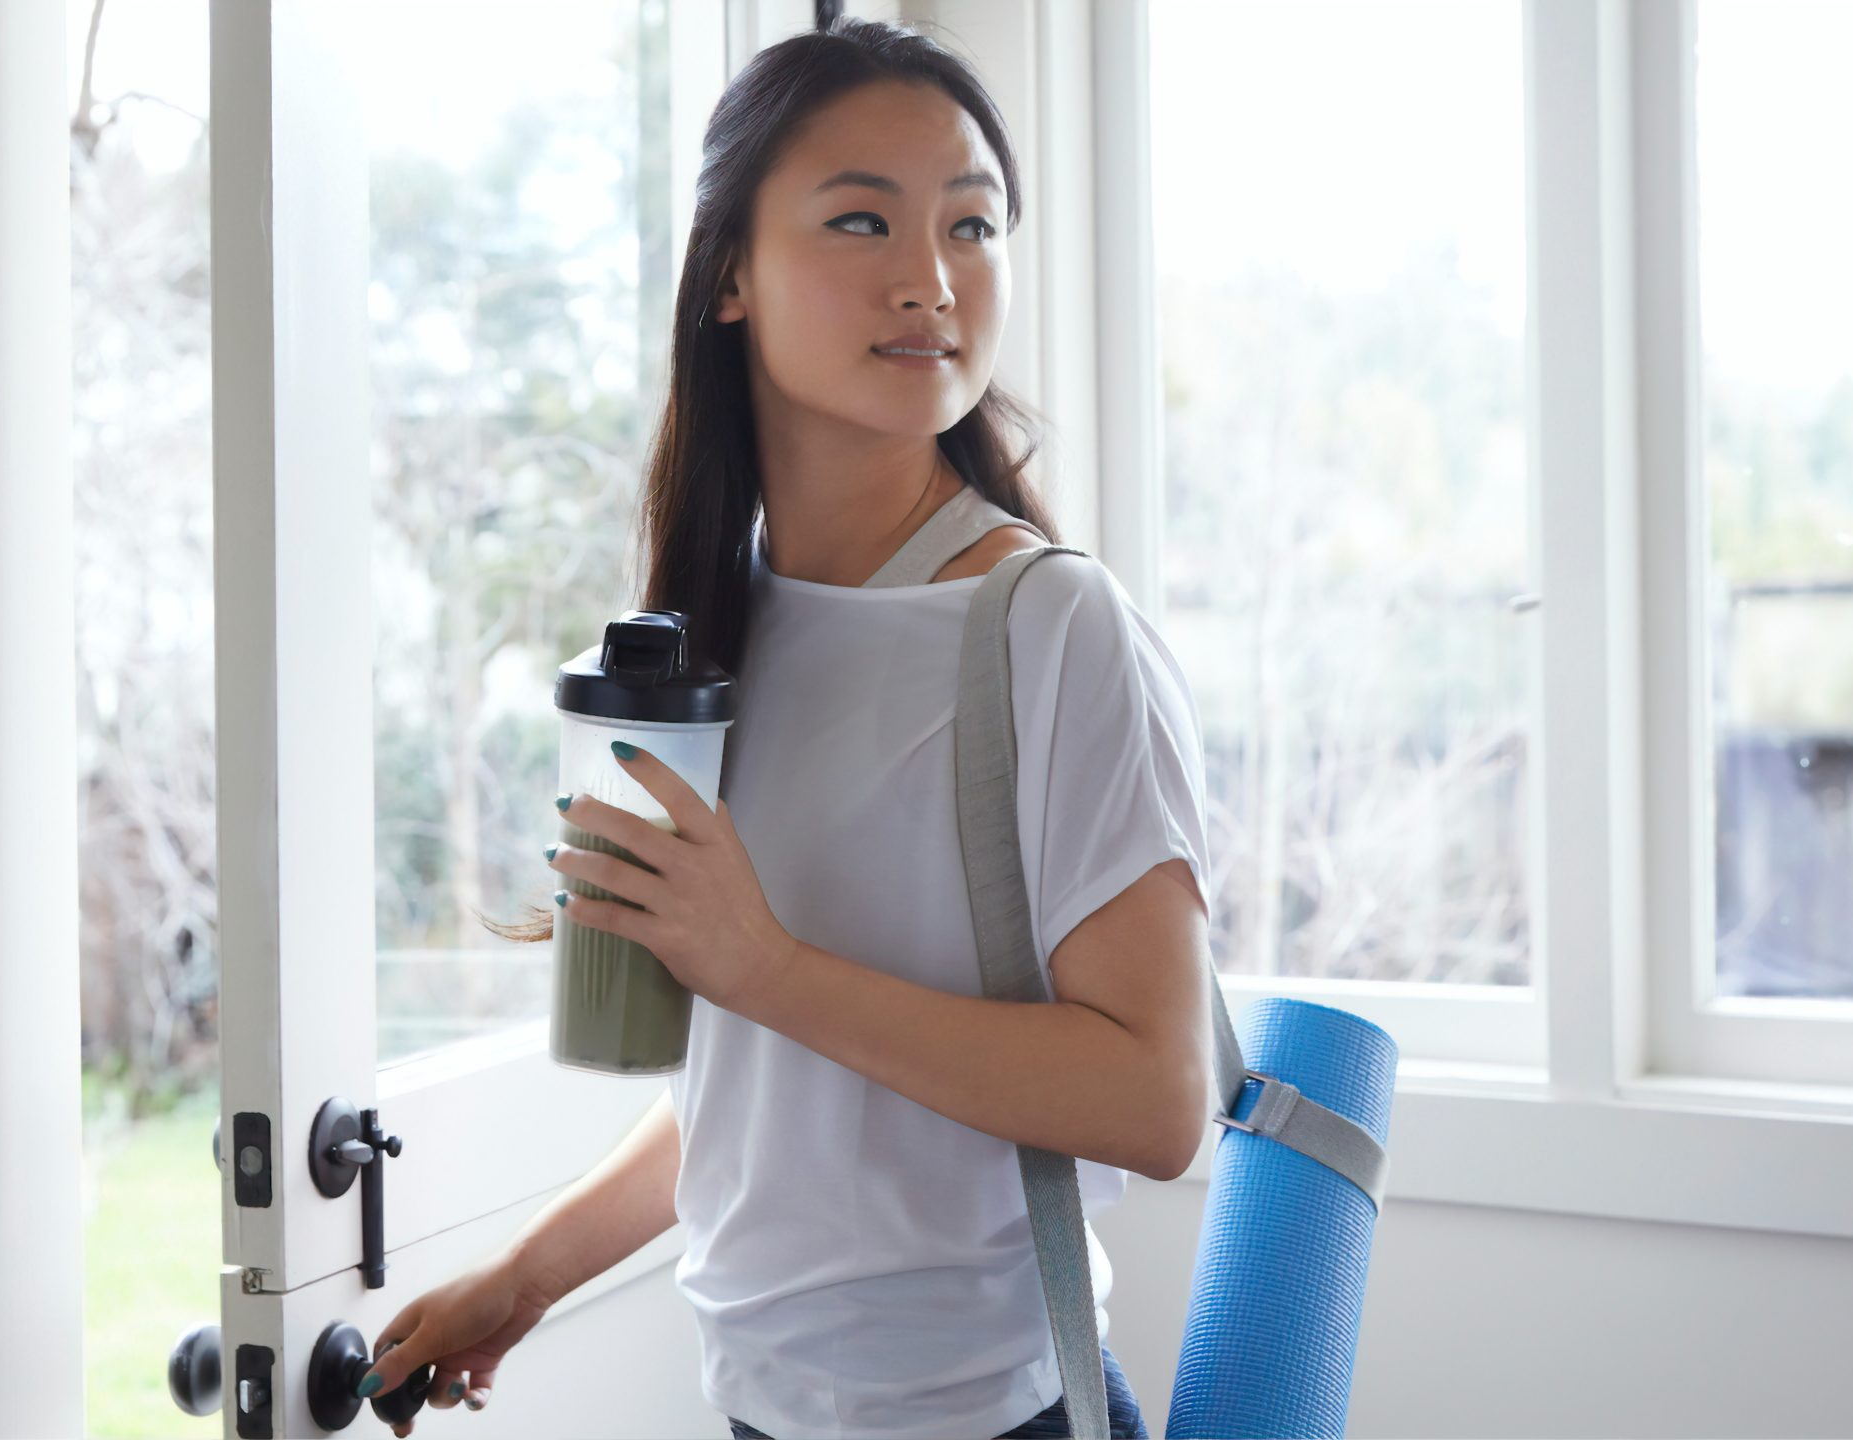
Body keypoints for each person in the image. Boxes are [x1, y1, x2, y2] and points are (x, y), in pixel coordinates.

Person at [353, 11, 1212, 1438]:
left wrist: (760, 963)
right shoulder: (725, 628)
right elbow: (776, 1079)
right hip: (762, 1408)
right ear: (732, 274)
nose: (932, 279)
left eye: (974, 226)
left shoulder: (1049, 626)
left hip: (995, 1417)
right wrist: (526, 1277)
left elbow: (1156, 1097)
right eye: (862, 221)